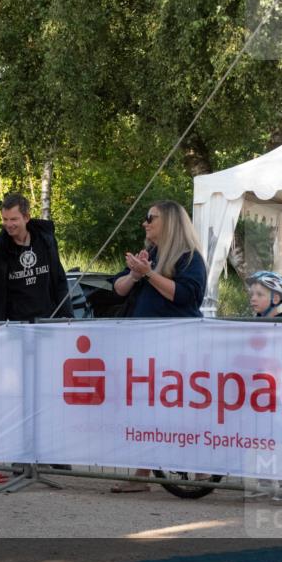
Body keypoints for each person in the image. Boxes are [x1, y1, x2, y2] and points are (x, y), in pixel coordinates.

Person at [109, 201, 207, 493]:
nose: (145, 223)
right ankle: (142, 475)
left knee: (183, 410)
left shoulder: (189, 258)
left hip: (178, 348)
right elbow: (117, 289)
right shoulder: (149, 255)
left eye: (150, 218)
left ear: (170, 222)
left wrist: (149, 275)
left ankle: (202, 472)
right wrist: (135, 274)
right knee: (146, 409)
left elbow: (186, 296)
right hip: (145, 348)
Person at [0, 194, 73, 321]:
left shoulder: (46, 241)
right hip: (12, 327)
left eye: (13, 219)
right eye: (5, 219)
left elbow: (60, 281)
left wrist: (67, 316)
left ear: (26, 217)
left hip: (47, 323)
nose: (8, 224)